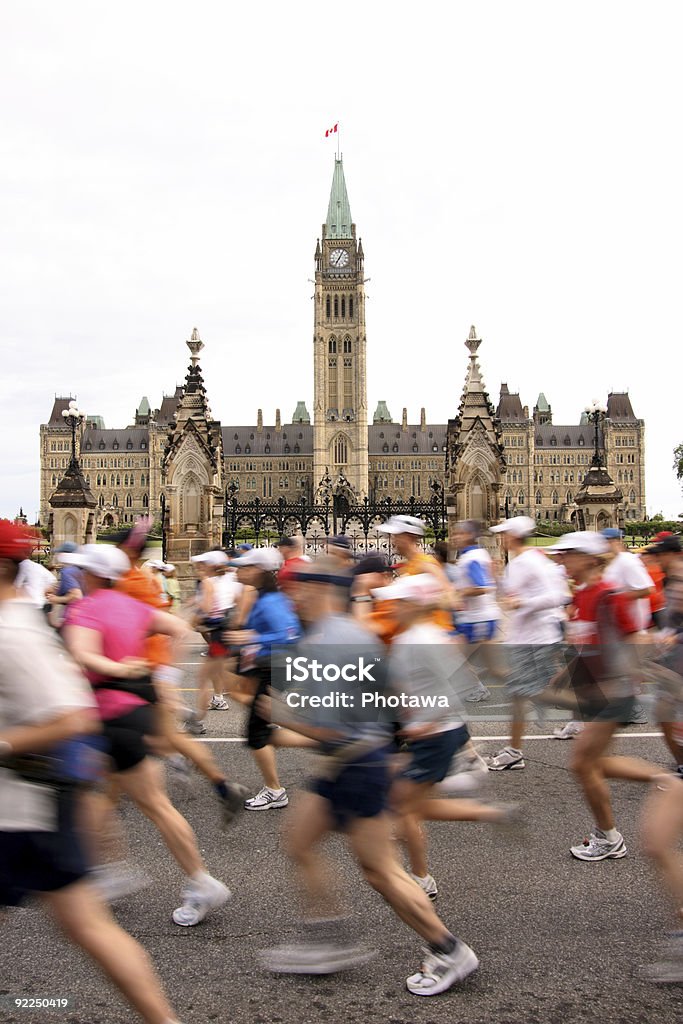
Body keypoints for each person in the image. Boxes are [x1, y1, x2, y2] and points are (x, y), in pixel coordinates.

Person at [259, 559, 479, 995]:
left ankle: (449, 949)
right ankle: (327, 937)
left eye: (304, 587)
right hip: (348, 762)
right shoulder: (334, 636)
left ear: (325, 592)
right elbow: (390, 698)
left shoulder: (335, 640)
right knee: (299, 841)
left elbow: (332, 727)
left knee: (380, 871)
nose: (295, 594)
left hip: (358, 765)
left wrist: (281, 719)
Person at [0, 520, 183, 1024]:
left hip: (27, 804)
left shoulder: (13, 632)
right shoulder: (24, 622)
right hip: (34, 798)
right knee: (90, 927)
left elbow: (72, 716)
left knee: (92, 927)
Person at [61, 543, 231, 926]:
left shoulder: (85, 608)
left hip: (107, 715)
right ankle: (118, 872)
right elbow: (179, 628)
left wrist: (119, 669)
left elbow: (83, 656)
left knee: (92, 798)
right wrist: (154, 669)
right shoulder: (131, 605)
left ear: (93, 575)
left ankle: (178, 879)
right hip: (136, 711)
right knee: (135, 802)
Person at [544, 532, 662, 861]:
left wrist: (623, 680)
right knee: (594, 763)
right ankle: (613, 830)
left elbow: (635, 638)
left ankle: (611, 836)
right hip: (598, 691)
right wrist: (562, 676)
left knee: (584, 762)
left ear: (590, 559)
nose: (562, 559)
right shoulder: (581, 595)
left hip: (614, 692)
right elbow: (584, 645)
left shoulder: (607, 594)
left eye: (569, 554)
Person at [485, 516, 569, 770]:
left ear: (513, 536)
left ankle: (596, 708)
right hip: (527, 637)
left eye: (503, 534)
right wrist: (498, 578)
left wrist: (525, 604)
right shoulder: (521, 561)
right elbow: (509, 596)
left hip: (536, 638)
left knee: (525, 692)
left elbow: (559, 595)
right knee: (523, 693)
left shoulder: (529, 561)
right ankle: (515, 751)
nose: (500, 539)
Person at [224, 546, 301, 810]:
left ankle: (275, 790)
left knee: (256, 733)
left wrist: (251, 637)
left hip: (275, 667)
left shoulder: (270, 602)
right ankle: (325, 738)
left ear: (261, 571)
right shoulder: (263, 598)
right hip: (265, 664)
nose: (240, 570)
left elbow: (290, 634)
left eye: (246, 567)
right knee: (260, 723)